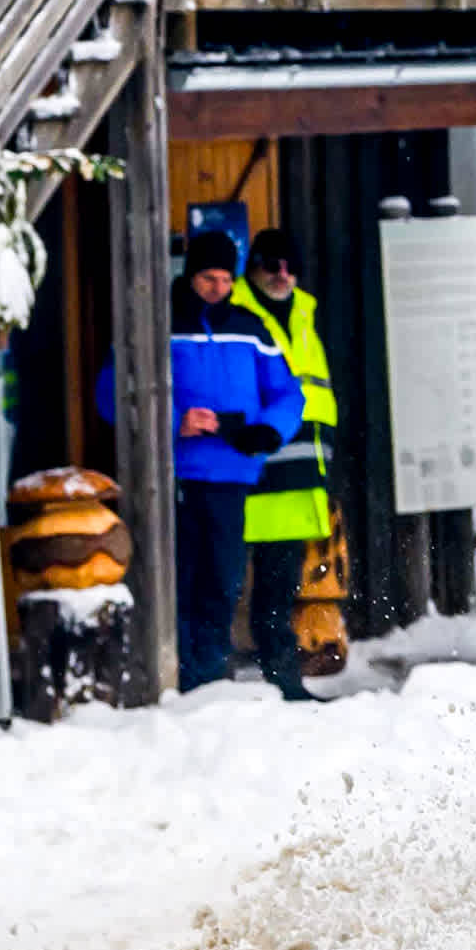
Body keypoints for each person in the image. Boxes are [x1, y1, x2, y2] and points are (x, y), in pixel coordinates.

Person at [160, 224, 306, 700]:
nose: (217, 288)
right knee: (180, 579)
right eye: (208, 278)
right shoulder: (161, 321)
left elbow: (288, 393)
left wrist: (270, 429)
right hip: (173, 475)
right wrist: (175, 422)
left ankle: (210, 676)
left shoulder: (250, 327)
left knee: (223, 580)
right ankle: (182, 678)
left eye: (225, 279)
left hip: (232, 473)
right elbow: (117, 391)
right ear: (190, 275)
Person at [226, 232, 339, 695]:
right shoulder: (233, 312)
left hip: (297, 476)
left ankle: (282, 681)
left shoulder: (304, 313)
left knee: (279, 588)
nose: (283, 275)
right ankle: (213, 685)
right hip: (245, 469)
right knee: (221, 585)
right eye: (272, 264)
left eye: (291, 266)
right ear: (252, 266)